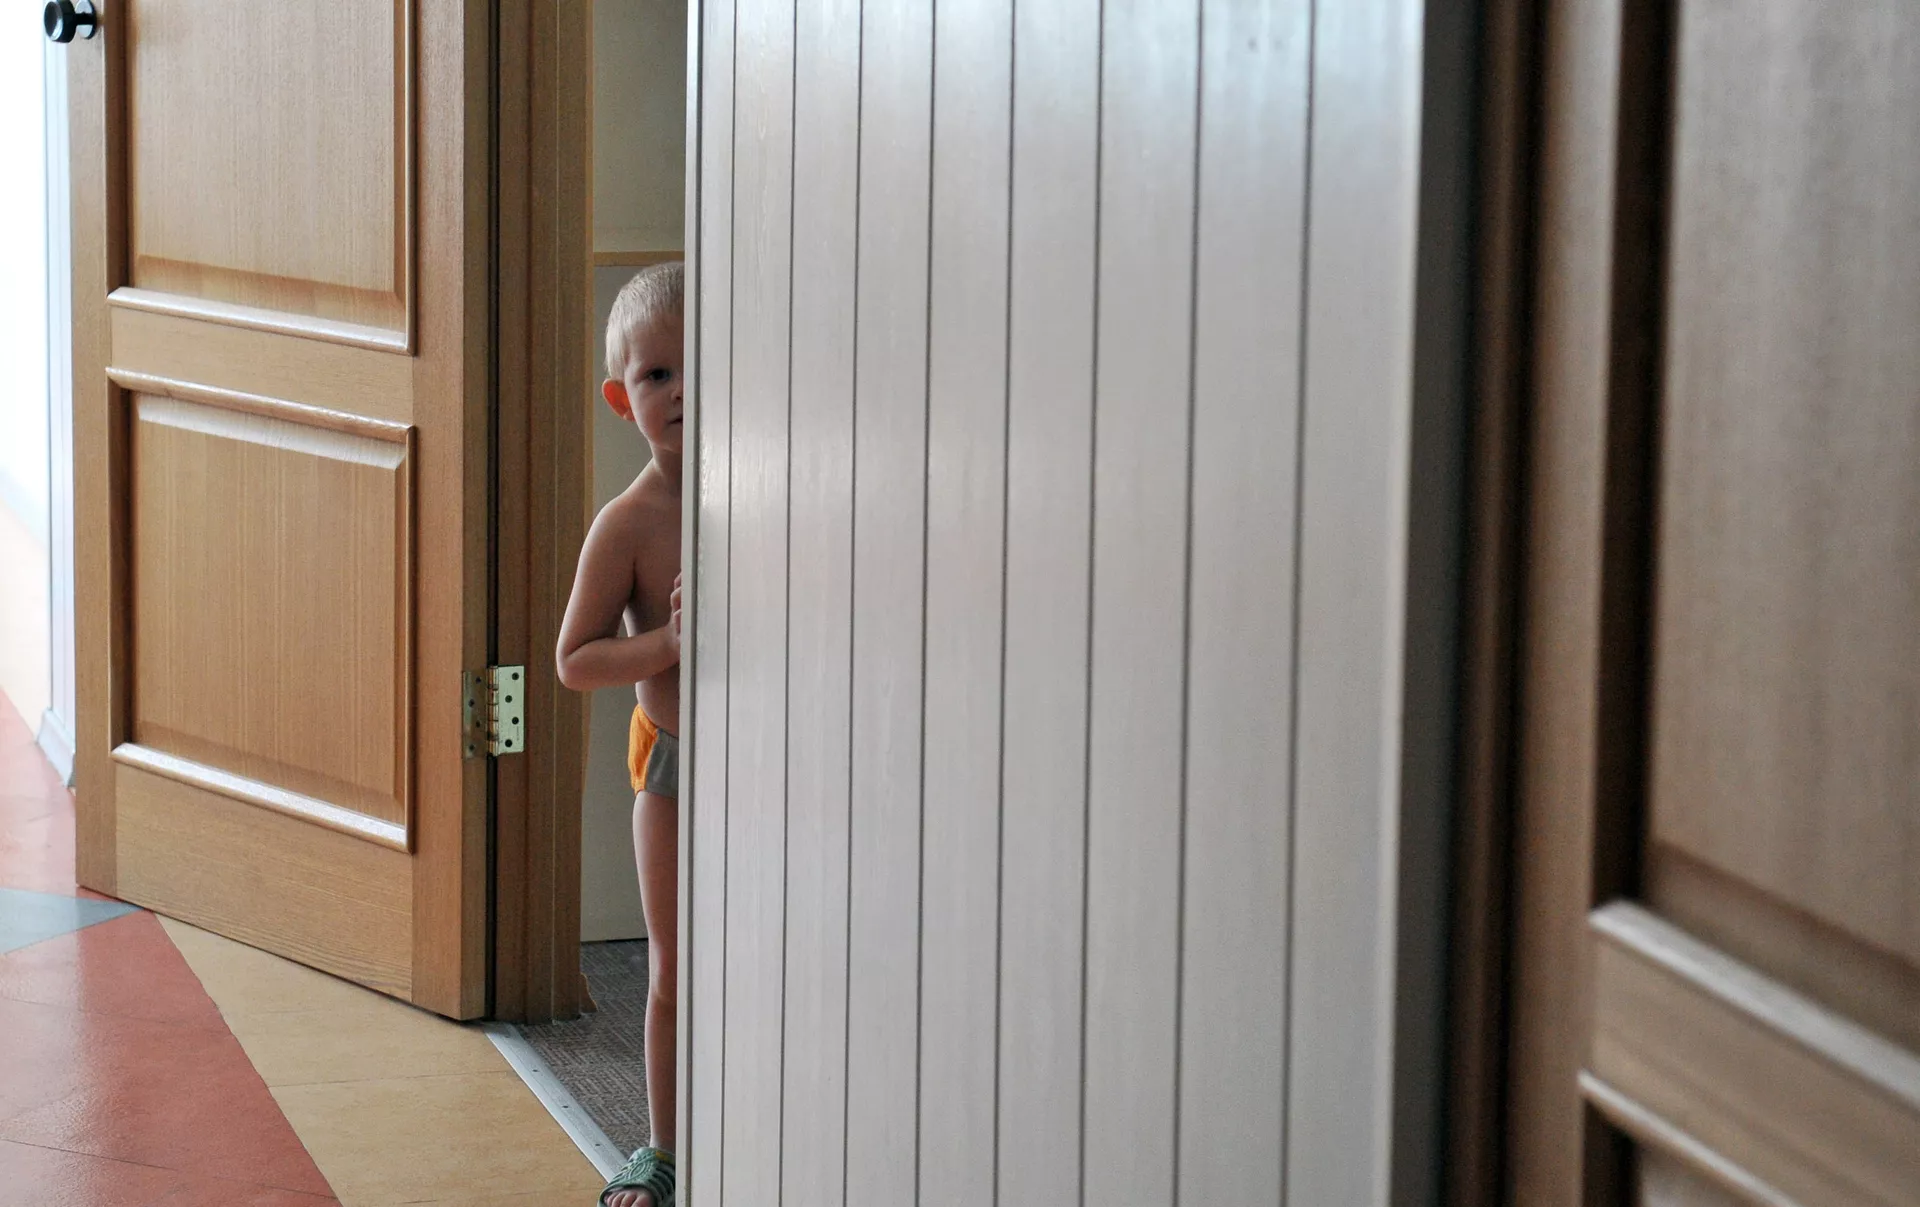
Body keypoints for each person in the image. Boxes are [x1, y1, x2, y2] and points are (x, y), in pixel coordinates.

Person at [555, 262, 685, 1207]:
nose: (682, 391)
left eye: (703, 367)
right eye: (657, 375)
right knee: (674, 963)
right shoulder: (629, 523)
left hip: (775, 772)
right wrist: (669, 643)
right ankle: (664, 1147)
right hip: (676, 770)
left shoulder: (778, 491)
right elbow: (575, 658)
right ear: (620, 398)